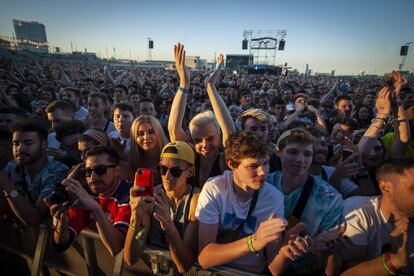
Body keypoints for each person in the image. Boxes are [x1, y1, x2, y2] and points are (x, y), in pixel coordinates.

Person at [196, 131, 310, 274]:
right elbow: (205, 258)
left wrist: (284, 252)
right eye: (253, 166)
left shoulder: (273, 198)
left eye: (266, 163)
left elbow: (274, 269)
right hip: (218, 271)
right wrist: (253, 242)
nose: (263, 172)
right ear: (231, 164)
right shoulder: (215, 190)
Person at [266, 128, 345, 274]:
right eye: (293, 152)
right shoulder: (264, 185)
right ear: (278, 151)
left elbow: (328, 246)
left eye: (307, 154)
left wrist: (314, 246)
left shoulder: (330, 198)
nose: (300, 160)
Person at [124, 141, 200, 273]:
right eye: (163, 169)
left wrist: (169, 227)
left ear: (190, 172)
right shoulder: (151, 199)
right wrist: (135, 220)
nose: (167, 176)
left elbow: (184, 265)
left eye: (176, 171)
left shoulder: (196, 200)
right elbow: (131, 258)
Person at [46, 146, 131, 256]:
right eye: (87, 171)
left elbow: (116, 247)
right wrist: (62, 223)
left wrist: (95, 208)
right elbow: (60, 244)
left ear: (117, 171)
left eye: (100, 170)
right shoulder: (85, 195)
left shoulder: (130, 195)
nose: (93, 176)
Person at [168, 46, 235, 188]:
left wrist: (210, 87)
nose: (205, 145)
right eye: (198, 140)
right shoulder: (190, 158)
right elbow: (174, 129)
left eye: (211, 138)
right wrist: (184, 83)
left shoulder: (225, 161)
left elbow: (229, 131)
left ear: (219, 134)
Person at [339, 157, 414, 275]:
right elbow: (344, 271)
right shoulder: (360, 212)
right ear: (386, 188)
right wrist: (395, 260)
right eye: (413, 188)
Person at [0, 119, 68, 225]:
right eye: (16, 144)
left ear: (44, 145)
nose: (20, 149)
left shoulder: (57, 172)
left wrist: (8, 186)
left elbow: (34, 219)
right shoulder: (13, 166)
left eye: (28, 143)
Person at [130, 115, 169, 185]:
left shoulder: (171, 156)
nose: (146, 137)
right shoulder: (132, 161)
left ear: (159, 133)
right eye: (140, 134)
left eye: (151, 132)